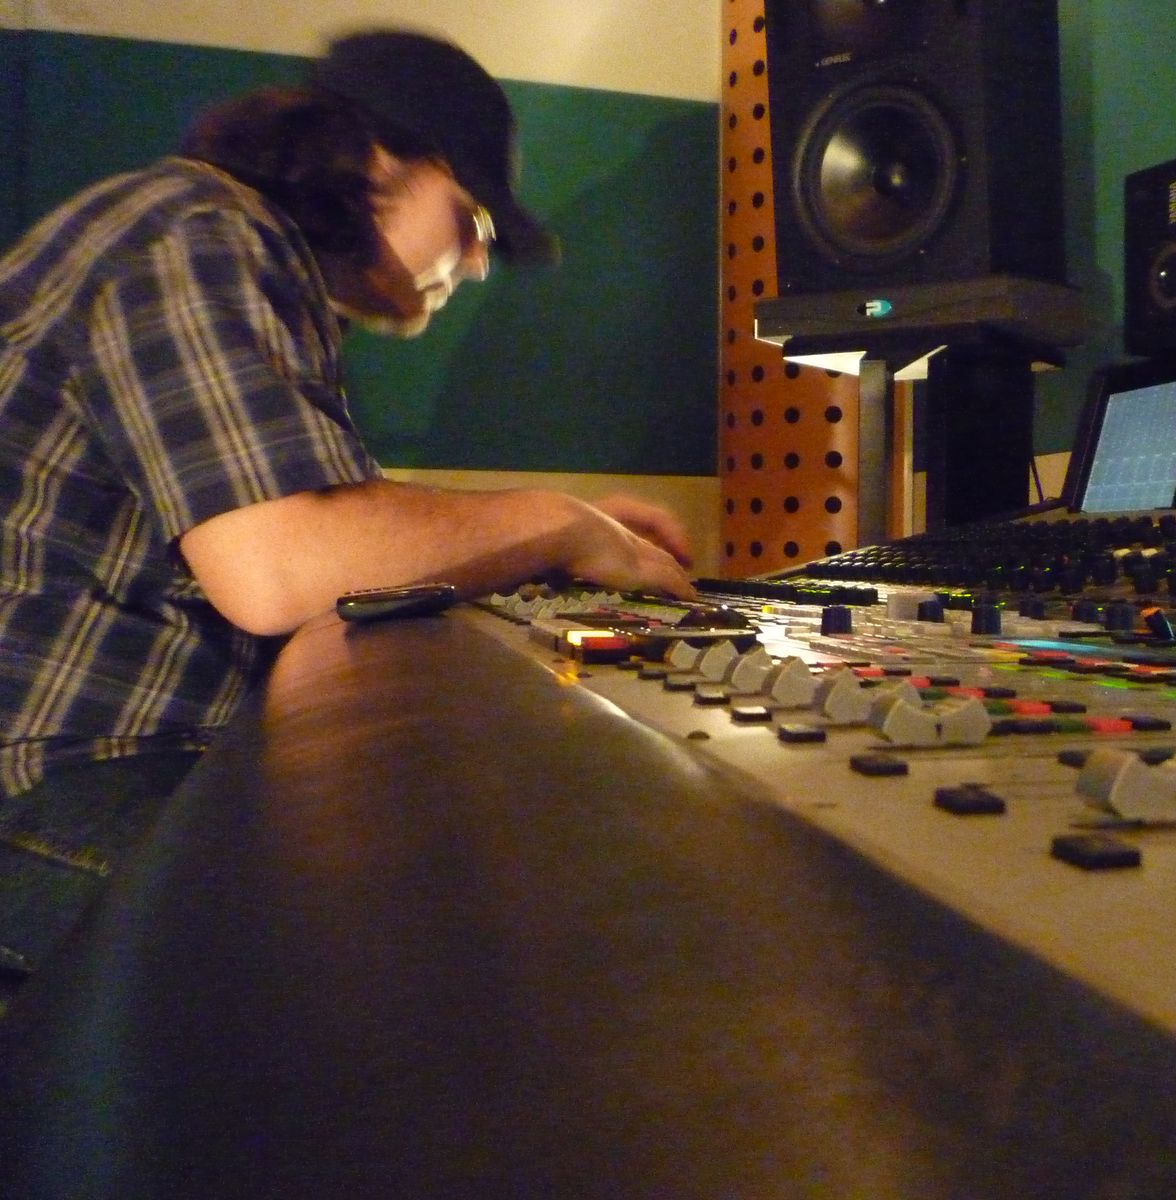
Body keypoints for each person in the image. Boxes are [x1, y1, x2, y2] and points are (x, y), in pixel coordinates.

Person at [0, 27, 697, 1008]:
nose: (477, 263)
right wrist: (561, 523)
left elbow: (339, 538)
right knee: (481, 953)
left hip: (95, 776)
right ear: (375, 159)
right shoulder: (197, 228)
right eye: (470, 217)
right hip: (52, 792)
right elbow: (282, 566)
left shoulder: (224, 248)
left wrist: (555, 534)